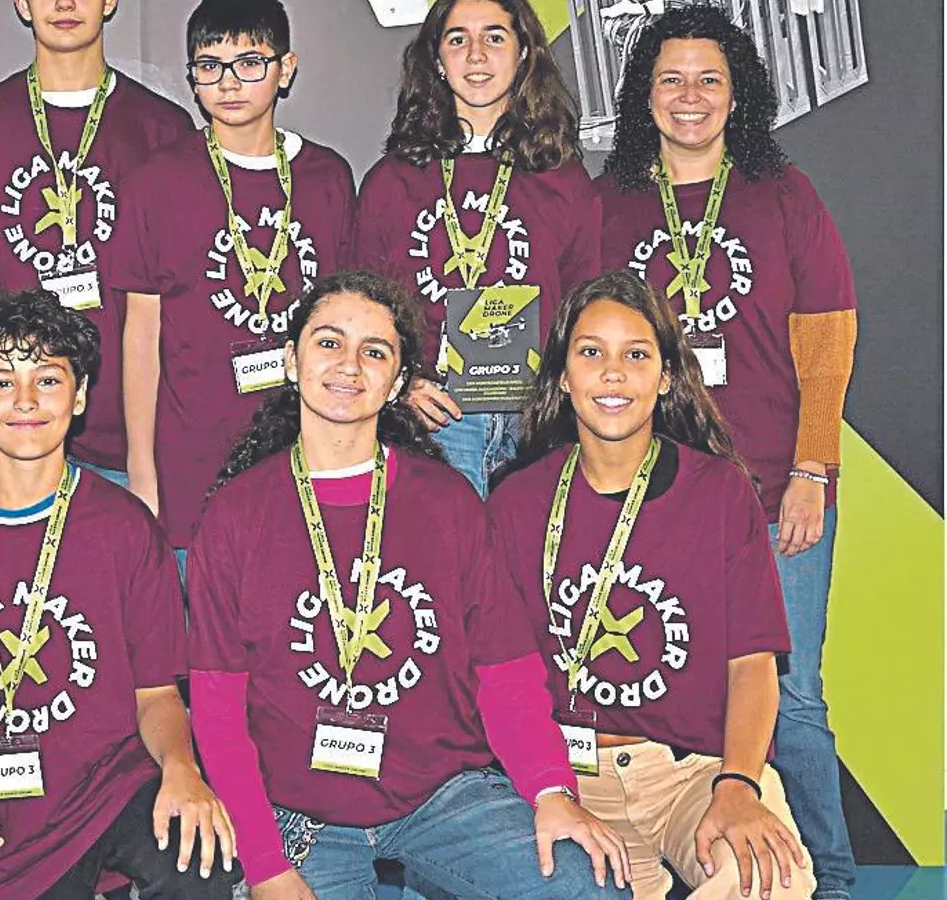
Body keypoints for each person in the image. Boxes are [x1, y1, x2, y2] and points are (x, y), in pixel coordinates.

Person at [189, 270, 630, 900]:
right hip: (299, 813)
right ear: (290, 360)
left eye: (374, 351)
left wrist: (552, 790)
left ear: (397, 383)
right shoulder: (235, 516)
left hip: (442, 795)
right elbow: (217, 712)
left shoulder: (447, 502)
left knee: (591, 884)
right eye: (329, 342)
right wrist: (263, 864)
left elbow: (505, 673)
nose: (349, 365)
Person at [0, 291, 241, 899]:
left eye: (47, 379)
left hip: (114, 786)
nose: (26, 400)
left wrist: (182, 768)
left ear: (80, 395)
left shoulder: (125, 527)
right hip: (7, 813)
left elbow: (156, 694)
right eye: (1, 382)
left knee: (199, 860)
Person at [597, 9, 857, 897]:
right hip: (655, 500)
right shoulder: (612, 201)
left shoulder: (779, 192)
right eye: (670, 79)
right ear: (643, 97)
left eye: (709, 78)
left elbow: (827, 338)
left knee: (793, 697)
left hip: (778, 489)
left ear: (737, 93)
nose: (690, 96)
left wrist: (813, 470)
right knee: (680, 695)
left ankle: (830, 879)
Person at [487, 270, 816, 899]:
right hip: (566, 780)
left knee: (773, 880)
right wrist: (547, 788)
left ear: (666, 377)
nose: (613, 373)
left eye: (636, 355)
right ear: (563, 376)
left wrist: (738, 786)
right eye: (591, 353)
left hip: (691, 773)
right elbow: (503, 673)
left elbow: (753, 665)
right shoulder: (515, 502)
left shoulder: (720, 492)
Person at [118, 0, 355, 563]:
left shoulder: (327, 177)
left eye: (249, 63)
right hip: (192, 459)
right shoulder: (156, 181)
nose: (228, 83)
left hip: (304, 450)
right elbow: (141, 335)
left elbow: (346, 320)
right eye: (210, 66)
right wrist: (142, 470)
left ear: (285, 68)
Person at [353, 0, 601, 498]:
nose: (476, 55)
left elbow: (587, 305)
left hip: (537, 419)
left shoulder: (563, 177)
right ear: (436, 59)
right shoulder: (392, 181)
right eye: (458, 39)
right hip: (435, 420)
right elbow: (363, 309)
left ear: (524, 53)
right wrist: (401, 383)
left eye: (494, 37)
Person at [0, 0, 194, 484]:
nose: (64, 4)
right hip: (9, 419)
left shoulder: (163, 131)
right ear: (22, 4)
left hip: (123, 426)